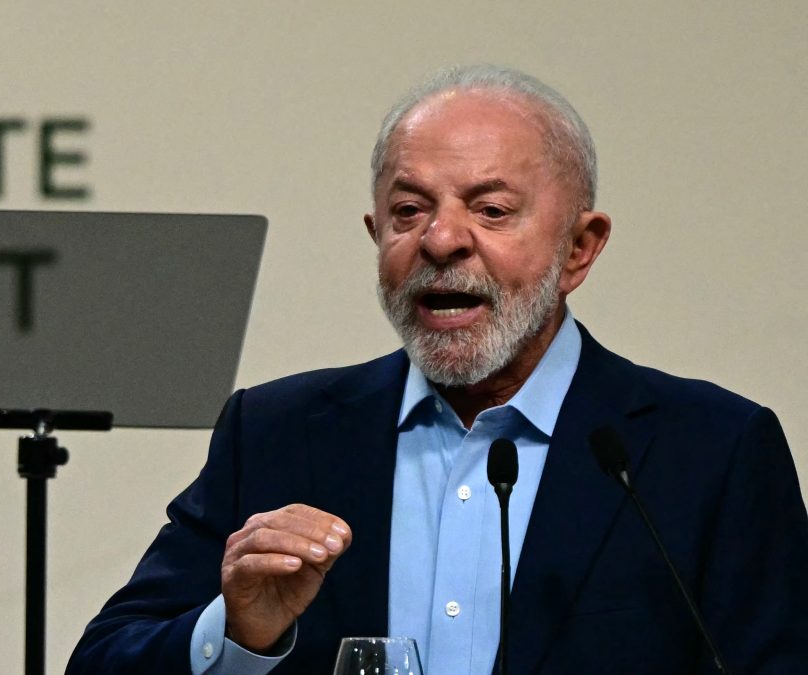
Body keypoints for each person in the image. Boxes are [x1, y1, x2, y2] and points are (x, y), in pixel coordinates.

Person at [66, 65, 808, 674]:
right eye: (409, 211)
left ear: (579, 248)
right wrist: (237, 631)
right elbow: (104, 661)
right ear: (375, 233)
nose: (442, 239)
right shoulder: (277, 431)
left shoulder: (712, 451)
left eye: (491, 210)